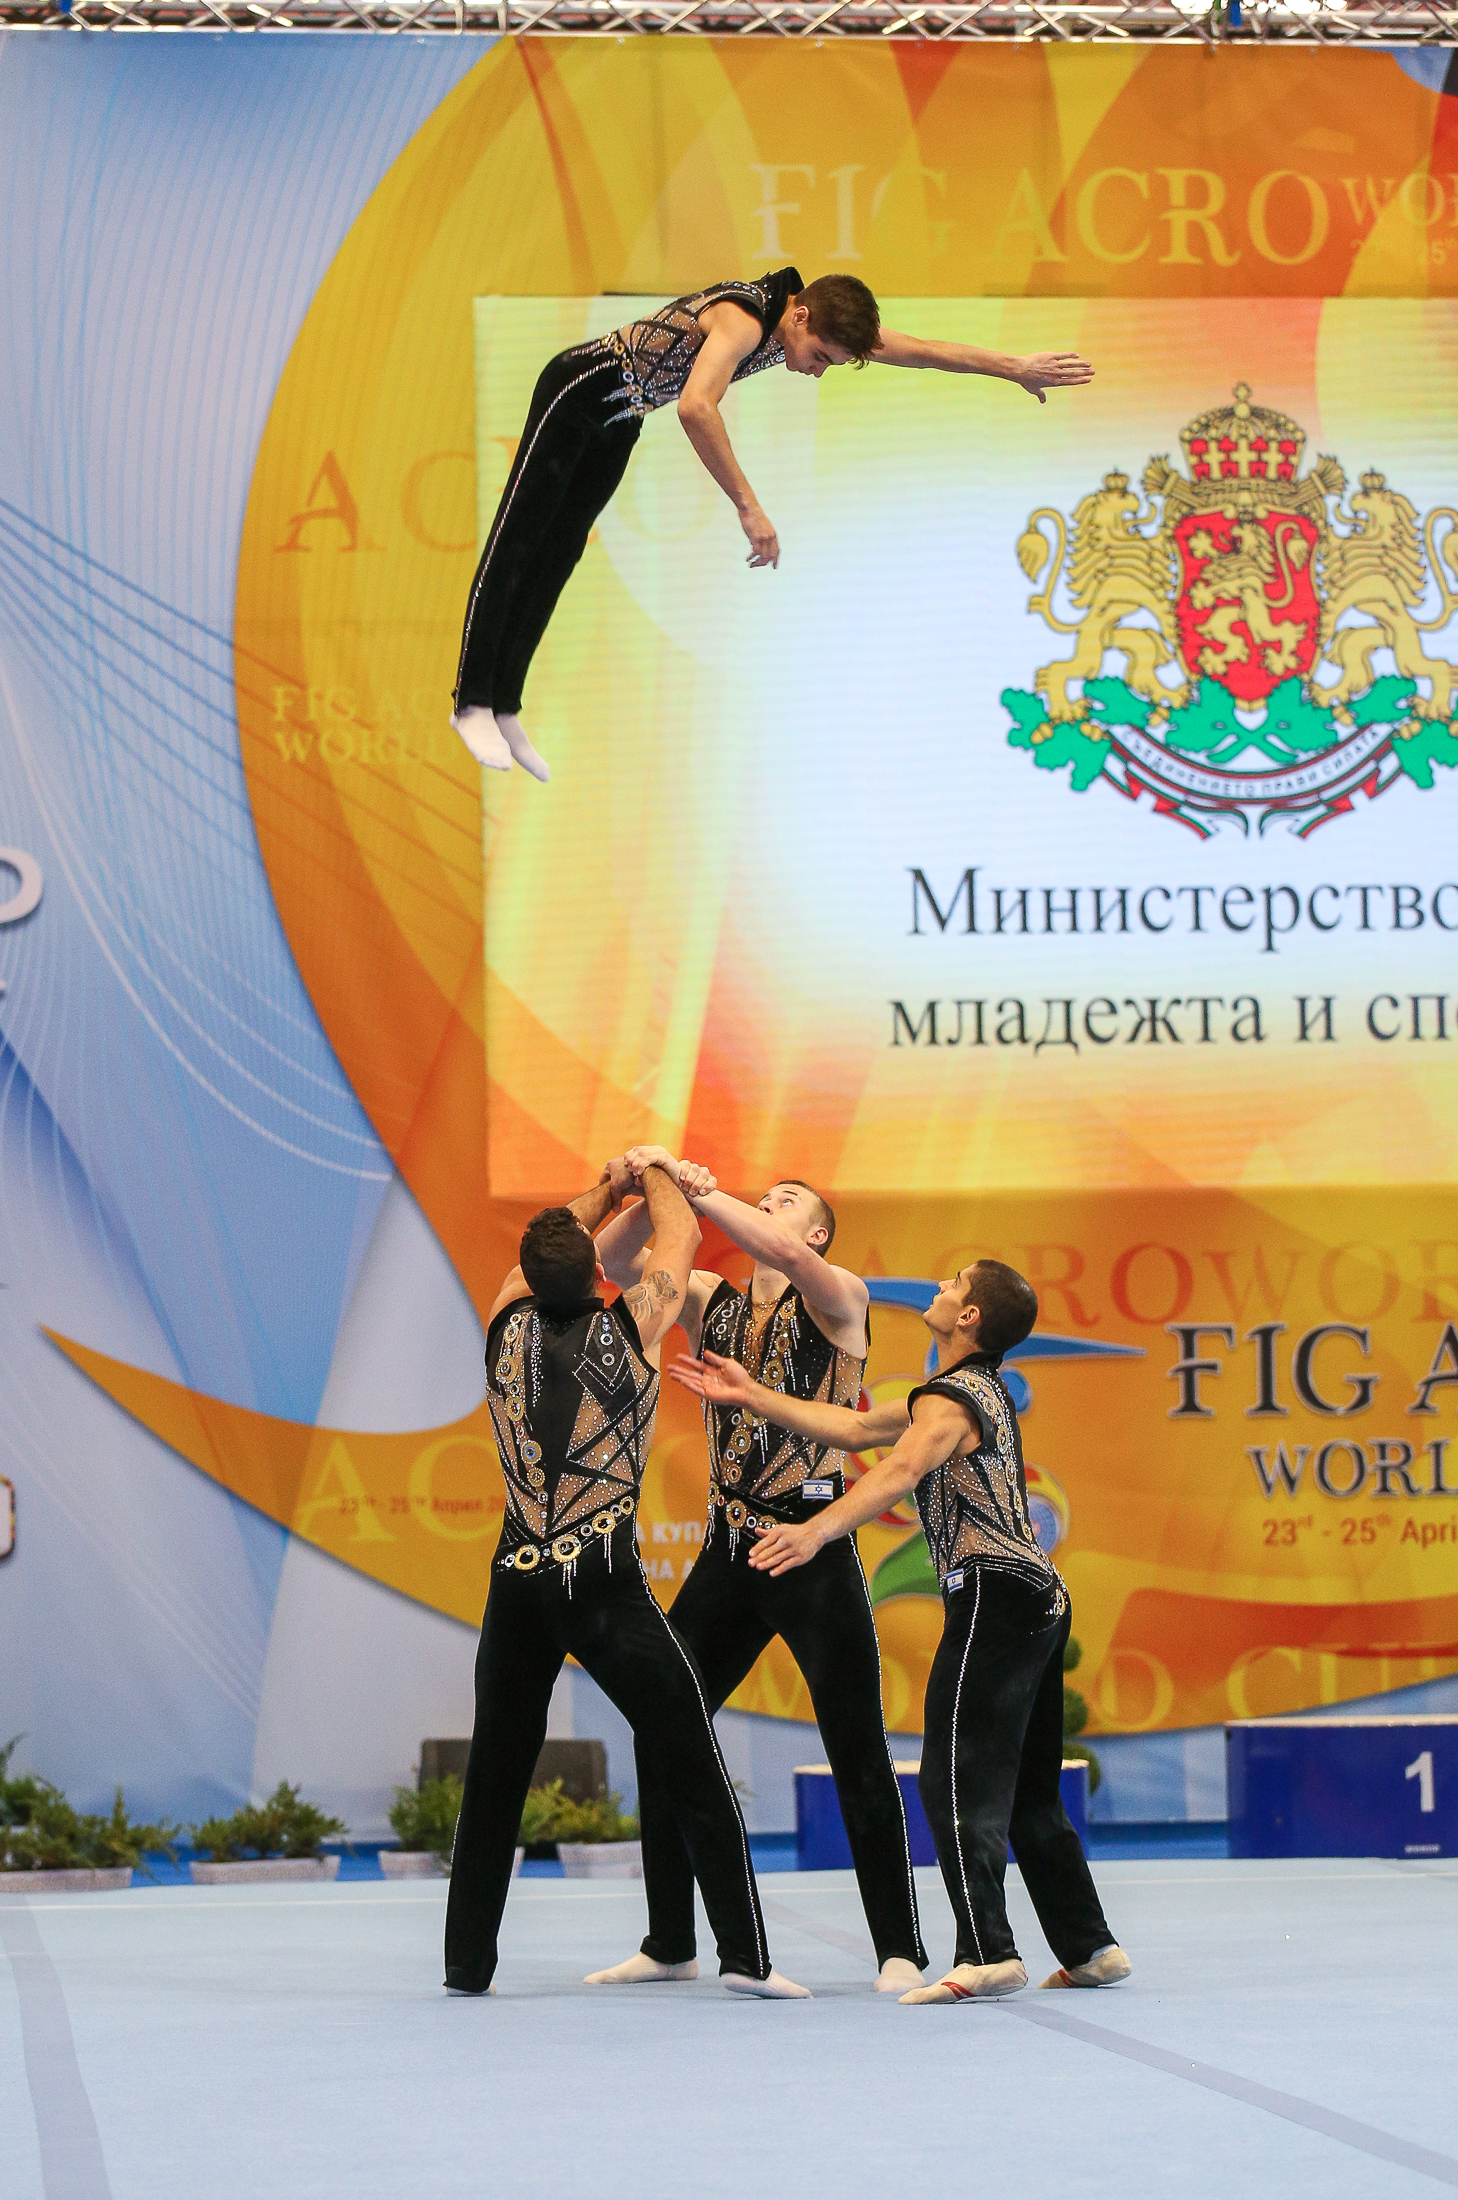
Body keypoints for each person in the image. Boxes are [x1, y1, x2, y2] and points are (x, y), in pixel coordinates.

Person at [675, 1257, 1131, 2006]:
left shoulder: (951, 1405)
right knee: (1029, 1793)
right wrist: (751, 1393)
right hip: (1037, 1598)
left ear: (969, 1317)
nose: (939, 1289)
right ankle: (1090, 1948)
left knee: (951, 1778)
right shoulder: (952, 1393)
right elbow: (855, 1428)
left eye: (954, 1284)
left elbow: (896, 1473)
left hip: (995, 1597)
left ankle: (987, 1953)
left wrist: (814, 1532)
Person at [450, 269, 1093, 780]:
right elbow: (696, 407)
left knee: (559, 555)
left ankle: (504, 704)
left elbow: (923, 353)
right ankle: (470, 701)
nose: (816, 371)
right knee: (517, 544)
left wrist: (1014, 367)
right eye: (819, 357)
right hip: (576, 394)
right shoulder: (741, 319)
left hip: (621, 417)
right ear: (800, 316)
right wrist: (749, 507)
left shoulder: (814, 320)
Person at [443, 1156, 808, 2000]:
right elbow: (680, 1237)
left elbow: (560, 1246)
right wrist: (659, 1172)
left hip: (517, 1579)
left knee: (495, 1772)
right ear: (601, 1276)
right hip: (600, 1583)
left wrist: (612, 1185)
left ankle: (466, 1964)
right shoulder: (630, 1327)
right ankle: (746, 1957)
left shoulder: (505, 1319)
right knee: (692, 1756)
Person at [582, 1148, 927, 1996]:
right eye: (764, 1195)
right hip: (731, 1553)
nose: (771, 1204)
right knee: (664, 1726)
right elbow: (615, 1266)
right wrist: (648, 1185)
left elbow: (783, 1254)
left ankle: (900, 1947)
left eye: (789, 1200)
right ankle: (670, 1940)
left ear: (816, 1232)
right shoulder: (710, 1300)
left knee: (857, 1747)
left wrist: (702, 1190)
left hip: (811, 1550)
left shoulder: (839, 1296)